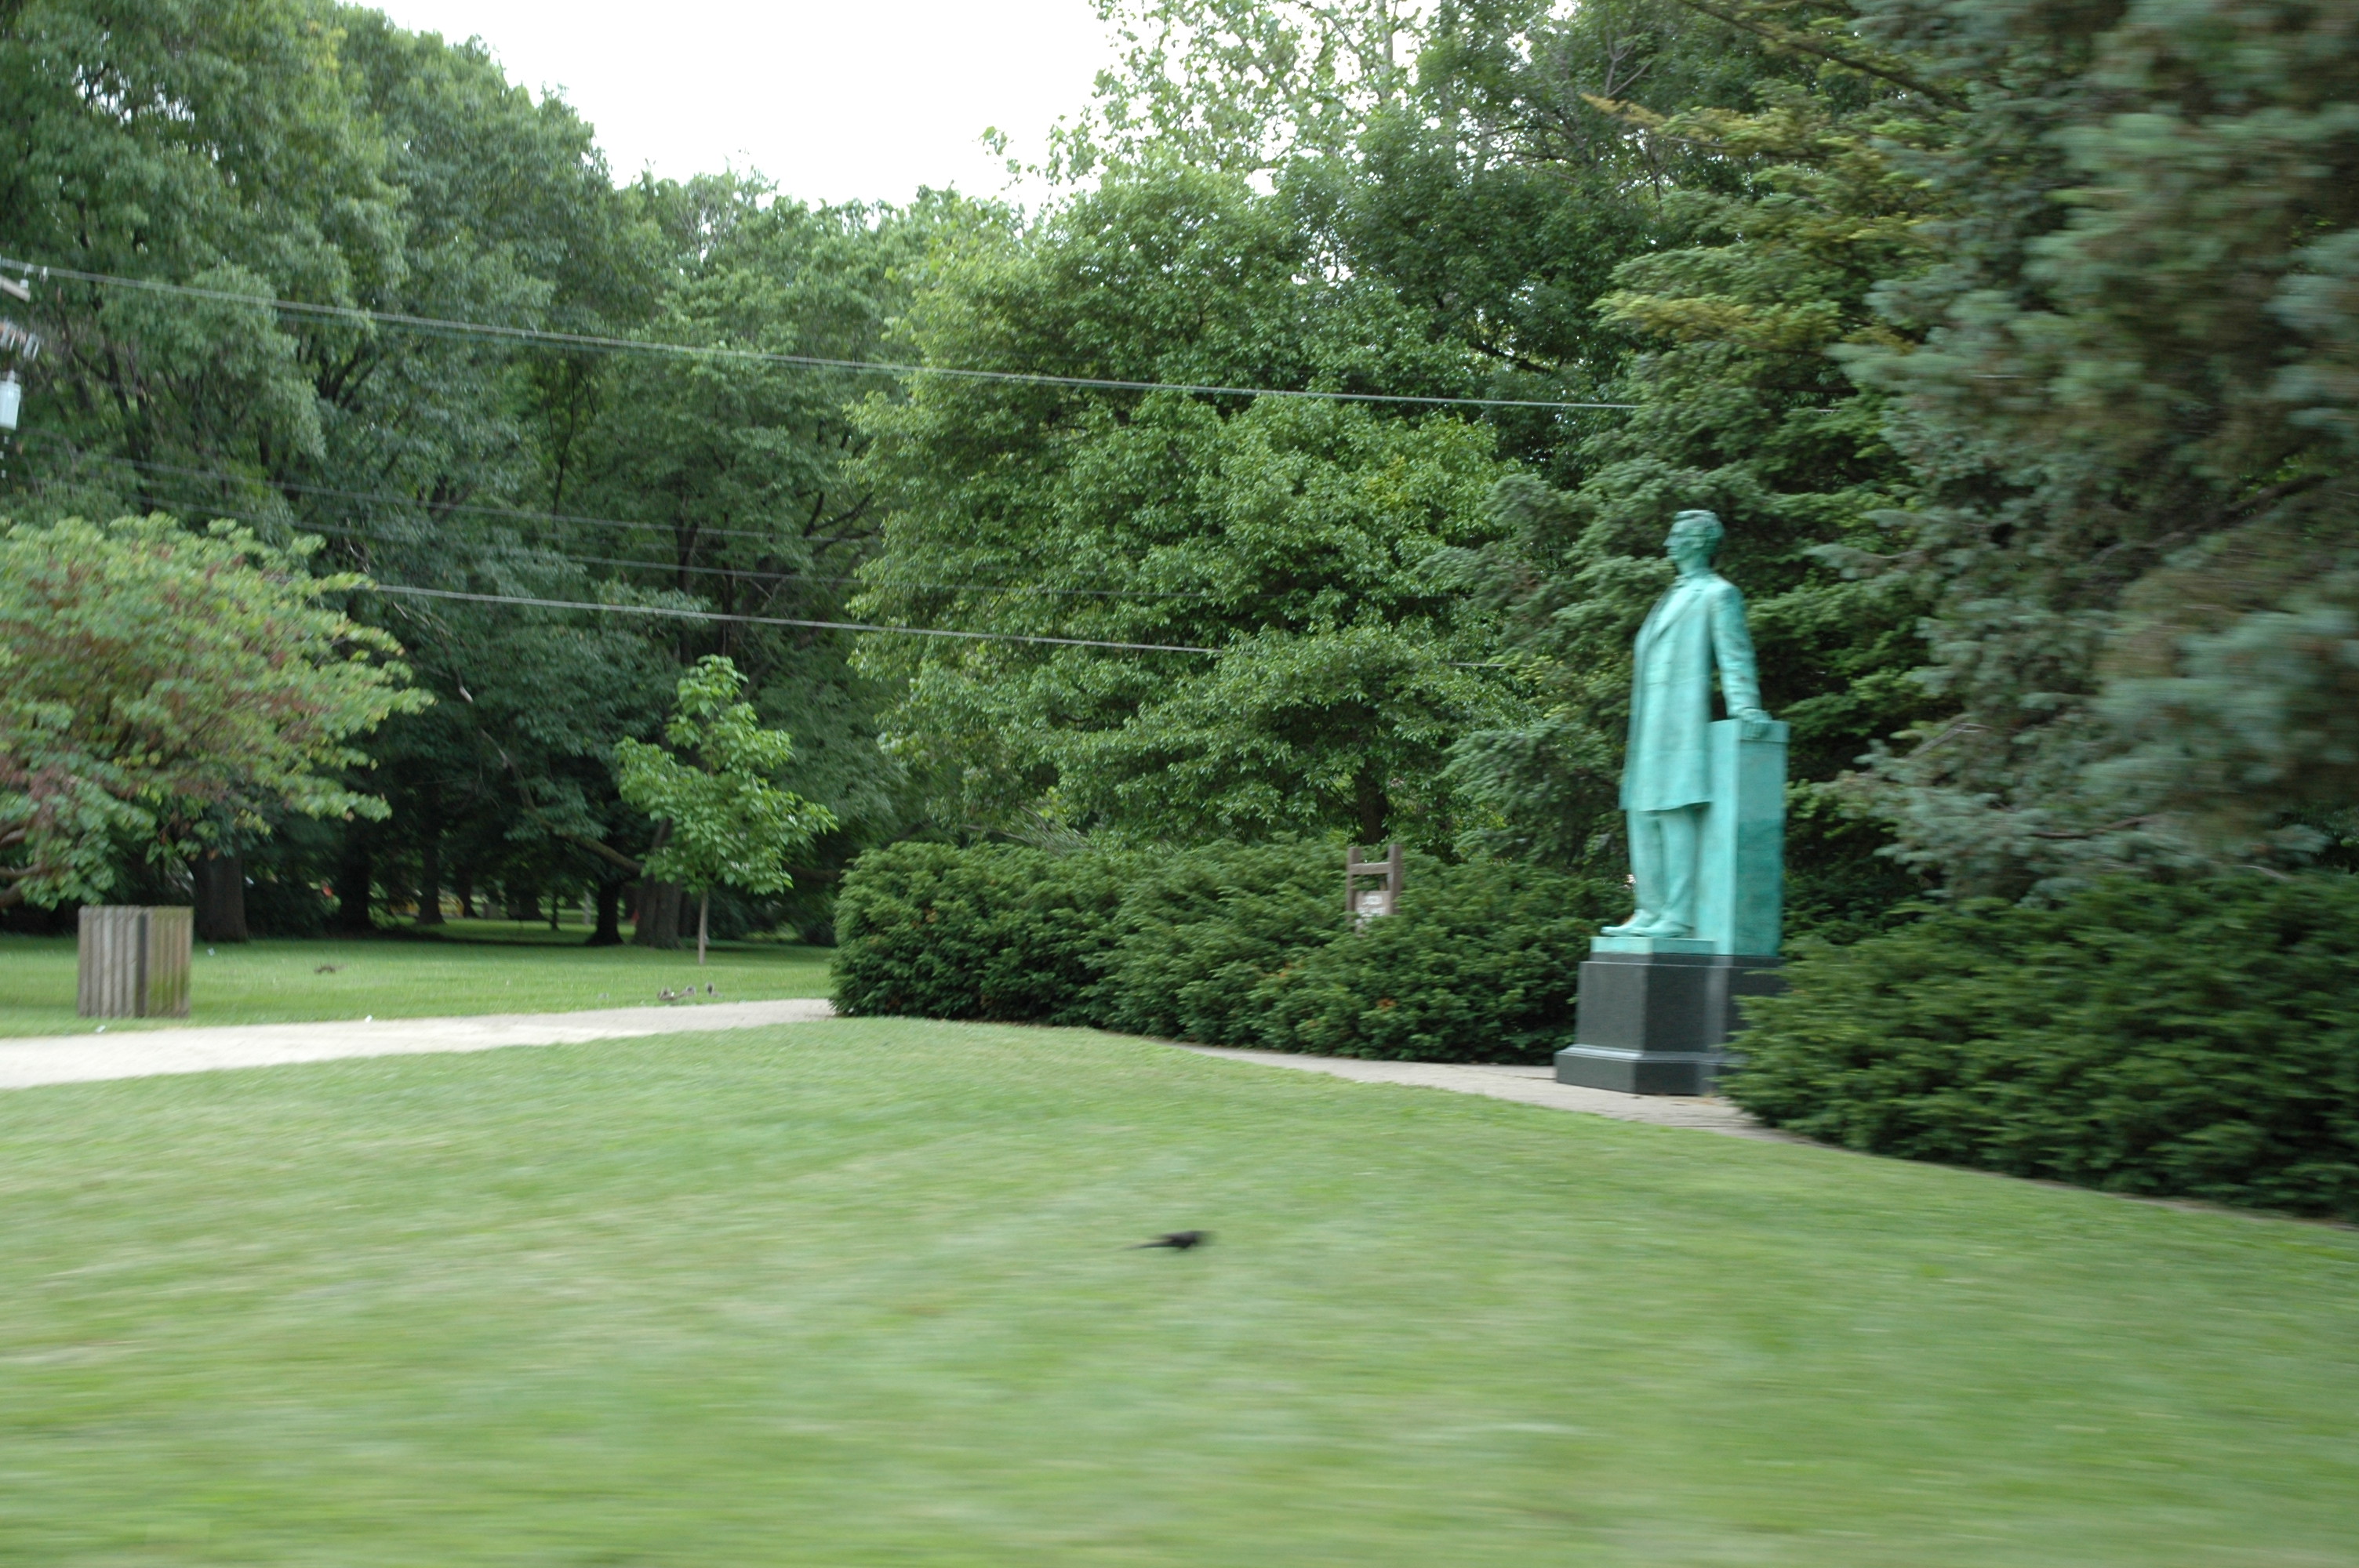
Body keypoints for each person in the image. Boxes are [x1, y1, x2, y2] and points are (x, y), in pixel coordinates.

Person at [1602, 510, 1773, 940]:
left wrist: (1745, 707)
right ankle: (1649, 909)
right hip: (1649, 724)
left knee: (1674, 810)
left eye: (1676, 536)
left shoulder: (1719, 594)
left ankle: (1677, 916)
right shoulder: (1670, 596)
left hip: (1682, 723)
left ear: (1698, 542)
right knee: (1643, 812)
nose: (1668, 543)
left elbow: (1735, 654)